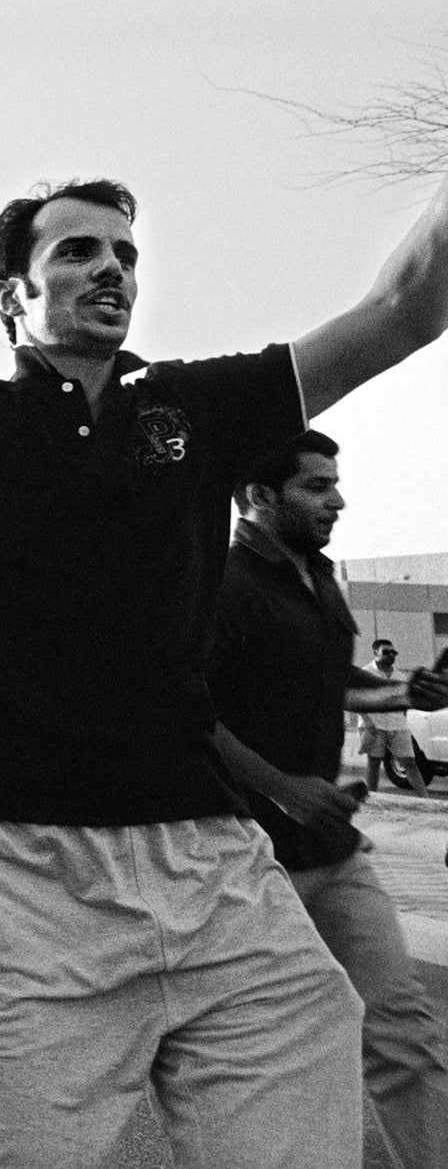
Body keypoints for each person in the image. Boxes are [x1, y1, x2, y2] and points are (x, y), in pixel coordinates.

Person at [0, 0, 448, 1165]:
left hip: (214, 876)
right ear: (12, 294)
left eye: (126, 251)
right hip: (25, 893)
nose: (111, 268)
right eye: (76, 248)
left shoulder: (195, 406)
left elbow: (408, 304)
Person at [208, 430, 448, 1168]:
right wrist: (285, 791)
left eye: (335, 482)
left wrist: (403, 689)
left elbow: (332, 678)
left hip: (334, 854)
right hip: (246, 864)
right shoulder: (220, 585)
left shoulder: (320, 577)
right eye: (316, 485)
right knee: (266, 1061)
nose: (336, 498)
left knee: (404, 1034)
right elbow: (191, 715)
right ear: (259, 497)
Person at [360, 642, 433, 796]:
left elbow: (405, 700)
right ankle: (371, 797)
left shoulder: (400, 676)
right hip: (375, 725)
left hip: (398, 725)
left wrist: (403, 719)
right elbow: (359, 701)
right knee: (374, 762)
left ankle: (425, 798)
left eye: (394, 652)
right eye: (386, 652)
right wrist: (367, 722)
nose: (391, 655)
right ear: (375, 652)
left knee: (410, 762)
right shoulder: (365, 673)